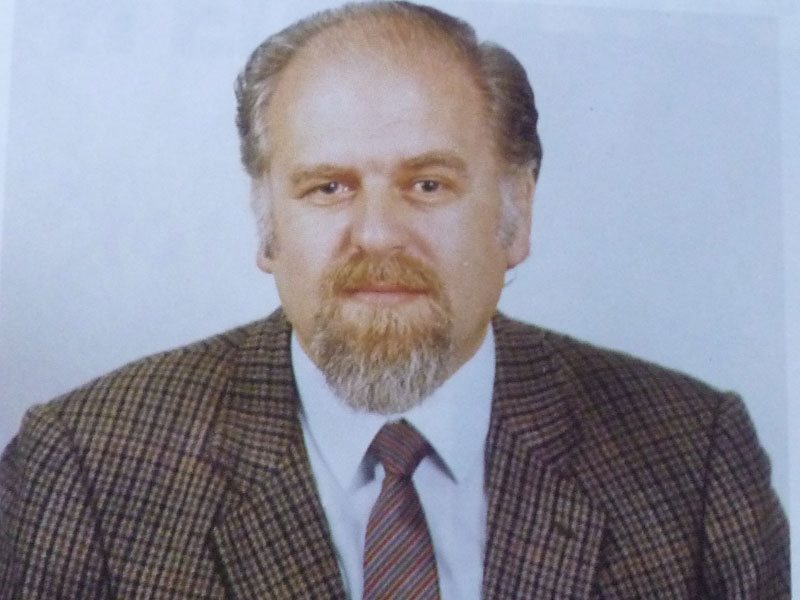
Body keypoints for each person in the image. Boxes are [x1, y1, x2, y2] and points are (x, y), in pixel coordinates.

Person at [0, 1, 788, 598]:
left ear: (516, 215)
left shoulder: (693, 457)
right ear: (267, 225)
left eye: (428, 184)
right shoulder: (85, 465)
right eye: (329, 187)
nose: (378, 233)